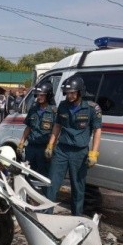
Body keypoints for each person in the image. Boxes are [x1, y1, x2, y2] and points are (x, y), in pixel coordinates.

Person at [45, 75, 102, 216]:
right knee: (52, 185)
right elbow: (57, 126)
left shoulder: (92, 108)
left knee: (78, 187)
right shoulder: (63, 106)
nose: (69, 96)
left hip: (79, 153)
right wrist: (50, 145)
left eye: (72, 93)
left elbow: (97, 130)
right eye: (67, 93)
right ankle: (46, 215)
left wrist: (94, 153)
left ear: (80, 92)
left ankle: (76, 218)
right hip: (62, 151)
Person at [17, 81, 56, 177]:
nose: (39, 97)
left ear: (48, 95)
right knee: (27, 174)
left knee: (43, 176)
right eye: (38, 95)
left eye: (42, 95)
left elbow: (56, 132)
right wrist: (21, 143)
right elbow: (28, 127)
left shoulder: (54, 111)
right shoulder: (33, 109)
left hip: (44, 149)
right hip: (31, 148)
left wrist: (51, 147)